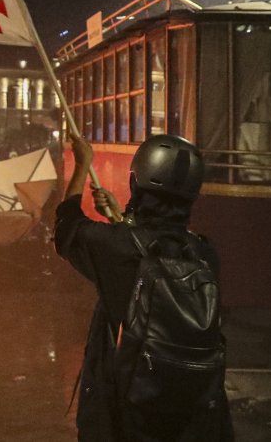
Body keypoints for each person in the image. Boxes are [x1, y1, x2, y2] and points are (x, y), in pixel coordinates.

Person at [56, 133, 232, 442]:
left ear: (137, 184)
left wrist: (83, 164)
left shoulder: (115, 248)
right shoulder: (205, 253)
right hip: (192, 416)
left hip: (126, 414)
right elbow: (156, 245)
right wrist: (122, 219)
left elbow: (65, 226)